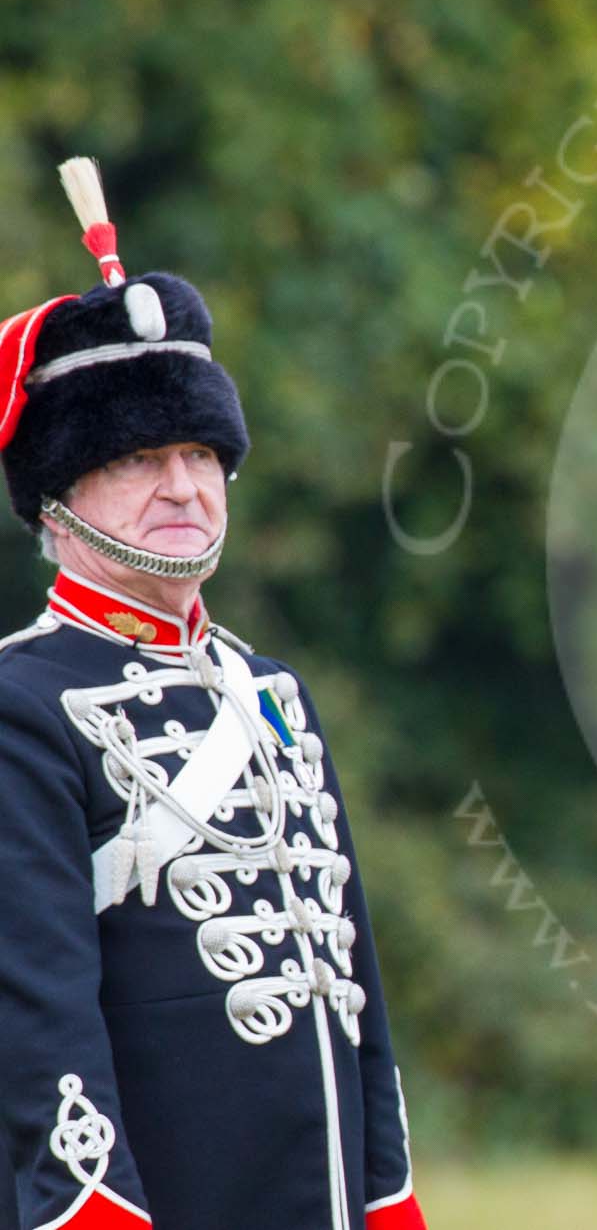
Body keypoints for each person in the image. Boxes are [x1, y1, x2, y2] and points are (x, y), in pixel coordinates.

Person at [0, 160, 423, 1230]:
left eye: (199, 452)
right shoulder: (22, 706)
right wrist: (92, 1212)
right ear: (60, 499)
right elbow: (36, 1020)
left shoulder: (271, 693)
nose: (184, 488)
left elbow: (351, 988)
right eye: (141, 457)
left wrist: (387, 1197)